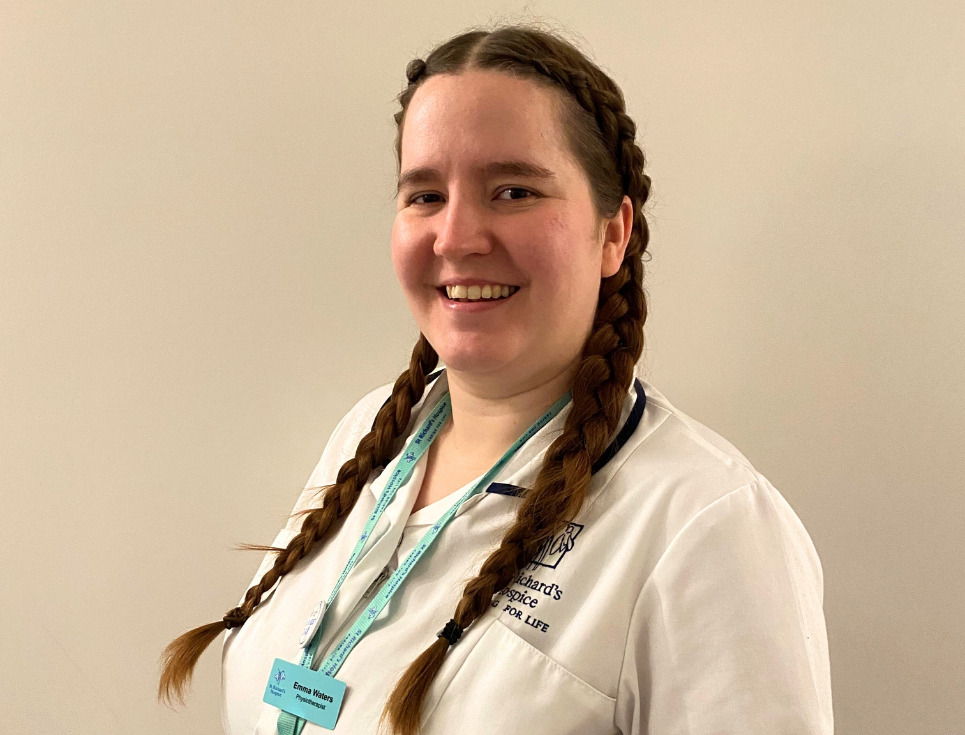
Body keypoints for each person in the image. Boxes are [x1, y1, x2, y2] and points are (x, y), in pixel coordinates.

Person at [159, 25, 833, 735]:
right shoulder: (368, 436)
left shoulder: (704, 524)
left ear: (613, 234)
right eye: (423, 195)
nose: (455, 236)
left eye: (511, 190)